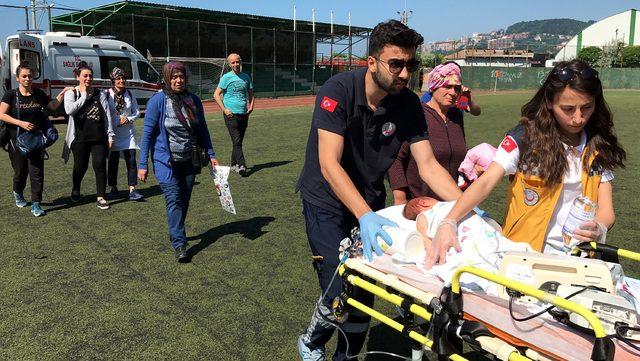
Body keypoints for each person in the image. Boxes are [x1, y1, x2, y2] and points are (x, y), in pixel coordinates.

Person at [296, 20, 462, 361]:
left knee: (366, 288)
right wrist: (365, 216)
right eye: (396, 64)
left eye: (410, 65)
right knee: (340, 280)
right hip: (326, 200)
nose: (404, 73)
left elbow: (428, 165)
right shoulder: (337, 90)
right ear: (371, 62)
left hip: (370, 201)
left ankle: (347, 357)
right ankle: (312, 340)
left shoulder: (409, 105)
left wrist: (465, 206)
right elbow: (329, 164)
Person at [426, 59, 626, 269]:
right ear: (549, 102)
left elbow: (607, 210)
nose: (578, 118)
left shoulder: (599, 145)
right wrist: (449, 221)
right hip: (524, 256)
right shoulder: (524, 138)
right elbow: (486, 182)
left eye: (587, 107)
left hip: (578, 260)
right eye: (568, 109)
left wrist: (599, 227)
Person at [137, 62, 218, 263]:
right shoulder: (158, 101)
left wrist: (212, 153)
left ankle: (176, 231)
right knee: (173, 198)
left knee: (184, 199)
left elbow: (203, 130)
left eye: (181, 76)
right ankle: (179, 244)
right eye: (173, 77)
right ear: (166, 78)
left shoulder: (194, 101)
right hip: (166, 161)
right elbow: (147, 133)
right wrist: (142, 164)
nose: (178, 80)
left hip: (189, 159)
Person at [388, 62, 472, 204]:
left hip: (451, 203)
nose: (453, 92)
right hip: (420, 204)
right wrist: (400, 198)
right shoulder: (416, 113)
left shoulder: (456, 115)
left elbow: (456, 150)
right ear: (434, 87)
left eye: (457, 88)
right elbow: (396, 159)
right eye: (447, 86)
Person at [0, 63, 71, 216]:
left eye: (30, 76)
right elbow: (2, 114)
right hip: (16, 141)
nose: (27, 79)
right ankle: (17, 192)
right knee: (20, 172)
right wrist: (21, 123)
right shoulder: (11, 95)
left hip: (36, 140)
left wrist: (62, 94)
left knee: (37, 172)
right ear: (18, 78)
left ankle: (36, 204)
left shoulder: (38, 93)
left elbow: (51, 106)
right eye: (24, 76)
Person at [63, 61, 115, 210]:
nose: (88, 79)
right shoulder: (71, 93)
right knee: (80, 167)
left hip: (98, 138)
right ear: (77, 77)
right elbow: (69, 110)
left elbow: (107, 116)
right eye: (85, 76)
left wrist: (110, 135)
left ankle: (101, 196)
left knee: (99, 166)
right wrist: (84, 95)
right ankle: (76, 188)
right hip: (79, 138)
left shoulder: (100, 94)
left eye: (90, 76)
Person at [105, 67, 144, 201]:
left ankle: (132, 189)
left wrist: (128, 119)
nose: (121, 80)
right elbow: (104, 113)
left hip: (128, 133)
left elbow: (137, 112)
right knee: (113, 162)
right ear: (113, 80)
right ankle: (113, 188)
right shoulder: (106, 94)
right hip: (113, 134)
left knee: (131, 160)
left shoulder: (130, 94)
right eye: (118, 78)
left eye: (123, 78)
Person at [214, 53, 254, 176]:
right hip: (230, 115)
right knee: (237, 141)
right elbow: (216, 94)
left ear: (240, 62)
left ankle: (233, 164)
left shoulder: (246, 77)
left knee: (238, 141)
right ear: (229, 64)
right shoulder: (226, 77)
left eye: (237, 62)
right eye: (233, 62)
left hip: (243, 114)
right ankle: (242, 166)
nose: (236, 64)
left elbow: (251, 92)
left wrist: (251, 106)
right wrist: (225, 109)